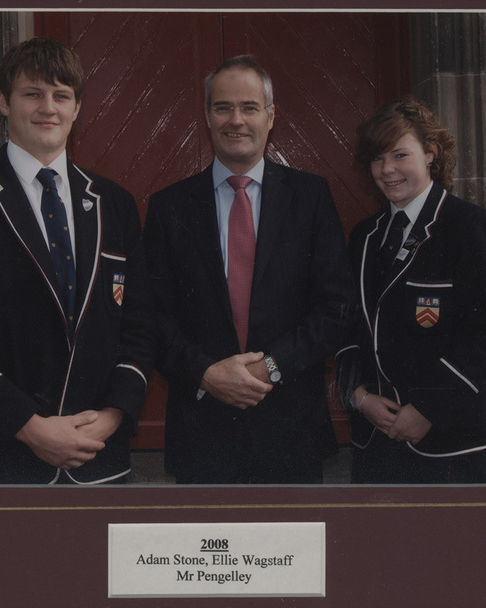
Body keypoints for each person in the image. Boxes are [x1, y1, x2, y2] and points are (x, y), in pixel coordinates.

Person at [0, 38, 153, 484]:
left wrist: (113, 415)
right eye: (32, 93)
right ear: (3, 102)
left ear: (77, 107)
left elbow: (139, 325)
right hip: (2, 462)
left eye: (61, 95)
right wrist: (29, 427)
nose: (48, 108)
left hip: (99, 459)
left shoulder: (115, 203)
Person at [143, 55, 355, 484]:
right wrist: (206, 373)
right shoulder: (169, 207)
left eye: (249, 107)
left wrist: (271, 367)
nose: (235, 120)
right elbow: (151, 315)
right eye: (223, 107)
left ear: (270, 116)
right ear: (207, 116)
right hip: (202, 432)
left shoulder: (310, 196)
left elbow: (336, 308)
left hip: (291, 431)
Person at [336, 98, 486, 484]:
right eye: (377, 158)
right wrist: (359, 397)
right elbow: (346, 328)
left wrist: (429, 408)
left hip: (448, 445)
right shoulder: (364, 237)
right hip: (375, 443)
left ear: (430, 153)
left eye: (400, 154)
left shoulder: (469, 226)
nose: (387, 169)